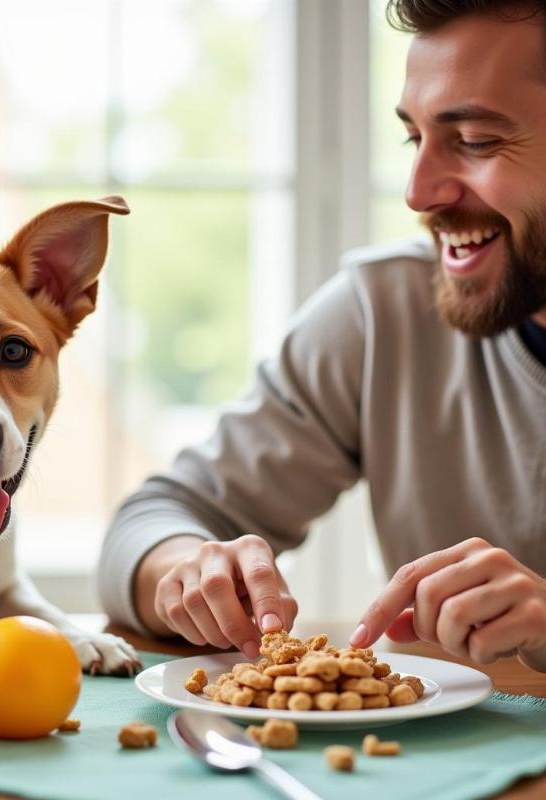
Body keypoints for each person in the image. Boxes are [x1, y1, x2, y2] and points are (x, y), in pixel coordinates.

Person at [98, 0, 546, 672]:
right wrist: (192, 570)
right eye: (412, 138)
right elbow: (153, 522)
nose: (418, 193)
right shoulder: (384, 313)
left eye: (476, 141)